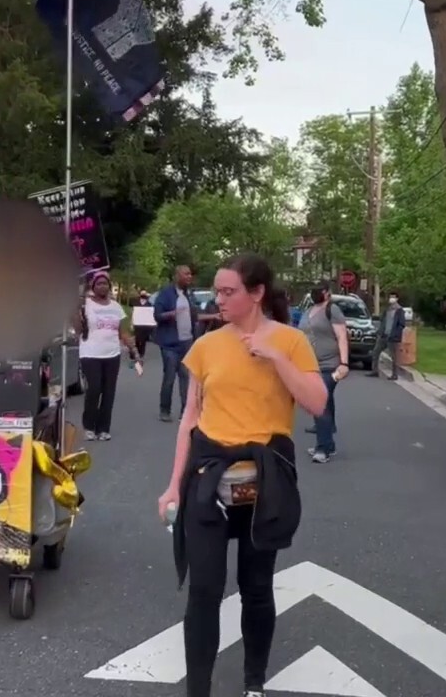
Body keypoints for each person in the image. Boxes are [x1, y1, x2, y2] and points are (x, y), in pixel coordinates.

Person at [156, 253, 326, 697]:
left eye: (229, 291)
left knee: (256, 587)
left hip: (263, 482)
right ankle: (198, 689)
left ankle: (254, 681)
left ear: (256, 294)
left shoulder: (290, 341)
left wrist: (274, 357)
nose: (220, 298)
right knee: (205, 591)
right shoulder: (207, 345)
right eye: (218, 290)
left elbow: (317, 403)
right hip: (210, 478)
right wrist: (173, 484)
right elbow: (189, 419)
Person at [76, 272, 139, 441]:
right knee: (94, 388)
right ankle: (89, 426)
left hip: (112, 354)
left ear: (109, 287)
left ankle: (103, 429)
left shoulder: (116, 307)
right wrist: (78, 314)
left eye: (105, 284)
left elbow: (122, 332)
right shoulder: (85, 304)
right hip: (90, 353)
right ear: (93, 287)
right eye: (99, 284)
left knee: (108, 392)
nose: (102, 286)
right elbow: (76, 327)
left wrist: (134, 351)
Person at [298, 283, 349, 464]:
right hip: (310, 364)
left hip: (329, 364)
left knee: (320, 402)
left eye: (320, 290)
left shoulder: (332, 310)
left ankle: (322, 448)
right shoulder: (309, 310)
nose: (316, 294)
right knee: (325, 401)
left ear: (327, 293)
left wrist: (344, 363)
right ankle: (328, 442)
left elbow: (342, 336)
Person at [152, 265, 198, 422]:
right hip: (170, 344)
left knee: (186, 377)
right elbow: (157, 315)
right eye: (186, 274)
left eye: (190, 274)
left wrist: (214, 316)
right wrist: (171, 314)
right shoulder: (165, 294)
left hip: (187, 343)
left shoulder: (188, 295)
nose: (189, 277)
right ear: (177, 276)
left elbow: (195, 316)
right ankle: (165, 410)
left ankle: (186, 411)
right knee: (170, 377)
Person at [371, 291, 406, 380]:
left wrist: (395, 334)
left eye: (393, 297)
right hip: (384, 335)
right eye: (391, 297)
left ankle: (394, 374)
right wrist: (380, 331)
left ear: (397, 299)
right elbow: (382, 321)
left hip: (392, 337)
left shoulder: (399, 310)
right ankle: (375, 371)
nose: (391, 299)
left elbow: (401, 324)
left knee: (394, 356)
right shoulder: (388, 309)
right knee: (375, 351)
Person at [132, 290, 154, 359]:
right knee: (137, 339)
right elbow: (133, 313)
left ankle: (142, 353)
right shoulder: (136, 303)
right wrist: (131, 323)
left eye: (144, 294)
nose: (143, 295)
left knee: (143, 339)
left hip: (145, 324)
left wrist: (151, 324)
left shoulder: (149, 304)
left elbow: (151, 315)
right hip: (137, 323)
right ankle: (137, 351)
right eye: (142, 294)